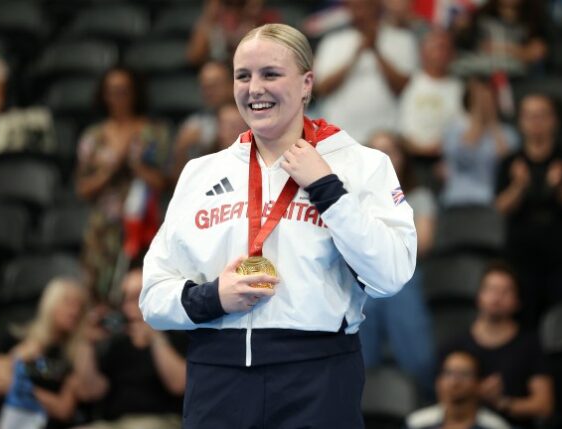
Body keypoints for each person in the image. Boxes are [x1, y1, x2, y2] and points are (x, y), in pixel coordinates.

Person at [141, 23, 417, 428]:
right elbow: (152, 296)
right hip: (217, 379)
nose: (254, 88)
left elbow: (392, 273)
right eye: (243, 75)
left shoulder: (361, 164)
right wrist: (213, 297)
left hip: (318, 379)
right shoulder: (200, 174)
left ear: (307, 83)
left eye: (270, 74)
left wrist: (328, 189)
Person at [76, 67, 170, 301]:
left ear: (135, 93)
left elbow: (165, 182)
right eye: (112, 91)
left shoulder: (154, 132)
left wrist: (135, 166)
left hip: (143, 227)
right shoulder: (93, 136)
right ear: (103, 95)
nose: (118, 97)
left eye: (124, 91)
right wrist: (111, 169)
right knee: (98, 297)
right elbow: (83, 189)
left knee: (140, 294)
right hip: (103, 231)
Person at [361, 130, 436, 397]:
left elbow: (422, 244)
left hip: (402, 277)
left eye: (390, 150)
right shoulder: (353, 197)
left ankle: (426, 397)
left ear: (403, 158)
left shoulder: (418, 196)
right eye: (376, 151)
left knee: (419, 359)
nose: (384, 157)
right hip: (365, 280)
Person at [494, 93, 562, 325]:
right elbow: (500, 208)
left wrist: (560, 188)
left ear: (554, 120)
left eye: (542, 115)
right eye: (529, 116)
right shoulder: (510, 162)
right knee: (523, 321)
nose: (536, 122)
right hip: (521, 256)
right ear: (520, 122)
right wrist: (519, 185)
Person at [443, 262, 554, 429]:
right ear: (479, 295)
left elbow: (544, 405)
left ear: (517, 301)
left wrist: (502, 403)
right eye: (491, 289)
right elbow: (442, 396)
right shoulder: (456, 344)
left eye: (505, 291)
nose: (497, 297)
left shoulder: (529, 345)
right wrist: (472, 392)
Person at [73, 268, 187, 429]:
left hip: (160, 420)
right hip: (114, 422)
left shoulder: (175, 334)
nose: (129, 307)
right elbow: (89, 392)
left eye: (136, 297)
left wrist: (156, 338)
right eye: (125, 298)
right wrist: (86, 343)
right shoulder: (116, 343)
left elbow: (179, 385)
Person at [0, 277, 89, 429]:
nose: (75, 311)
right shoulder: (16, 338)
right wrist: (19, 355)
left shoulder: (73, 355)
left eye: (80, 307)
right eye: (68, 303)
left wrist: (27, 391)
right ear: (51, 303)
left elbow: (64, 410)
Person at [314, 0, 419, 143]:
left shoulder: (402, 39)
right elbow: (322, 88)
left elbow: (405, 88)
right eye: (355, 6)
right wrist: (356, 54)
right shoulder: (332, 41)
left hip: (385, 136)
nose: (360, 11)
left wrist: (376, 50)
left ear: (377, 6)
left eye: (365, 5)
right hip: (339, 136)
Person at [440, 77, 518, 208]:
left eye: (489, 98)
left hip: (491, 201)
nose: (484, 104)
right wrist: (477, 118)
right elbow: (462, 157)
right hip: (456, 200)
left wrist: (493, 123)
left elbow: (507, 164)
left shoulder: (508, 134)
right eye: (479, 100)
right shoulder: (454, 130)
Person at [405, 349, 511, 429]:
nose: (454, 382)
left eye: (464, 374)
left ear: (478, 383)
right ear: (438, 381)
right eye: (448, 373)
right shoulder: (416, 423)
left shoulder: (495, 426)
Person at [399, 29, 464, 158]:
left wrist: (443, 146)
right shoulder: (409, 82)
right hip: (410, 157)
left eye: (444, 48)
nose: (440, 53)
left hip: (445, 160)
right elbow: (402, 124)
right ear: (423, 52)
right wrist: (414, 146)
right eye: (435, 47)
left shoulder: (459, 88)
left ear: (453, 54)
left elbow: (461, 126)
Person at [169, 61, 234, 182]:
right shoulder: (193, 124)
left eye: (214, 85)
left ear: (232, 84)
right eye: (204, 87)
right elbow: (176, 181)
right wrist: (181, 148)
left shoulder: (251, 118)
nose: (209, 92)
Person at [186, 0, 281, 67]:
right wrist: (210, 17)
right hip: (223, 73)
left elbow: (276, 56)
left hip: (253, 72)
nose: (234, 9)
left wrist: (253, 15)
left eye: (240, 3)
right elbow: (194, 57)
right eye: (228, 3)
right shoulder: (215, 21)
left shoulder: (267, 19)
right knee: (211, 73)